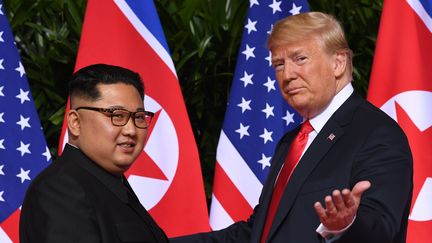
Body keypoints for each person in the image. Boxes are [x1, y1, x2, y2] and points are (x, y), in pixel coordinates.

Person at [171, 12, 413, 243]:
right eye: (278, 64)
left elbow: (381, 229)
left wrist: (345, 226)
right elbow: (258, 233)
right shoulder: (291, 142)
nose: (287, 75)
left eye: (300, 59)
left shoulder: (376, 133)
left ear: (338, 63)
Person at [20, 64, 168, 243]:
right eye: (117, 115)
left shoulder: (109, 182)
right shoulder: (59, 189)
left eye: (138, 117)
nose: (131, 130)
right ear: (75, 122)